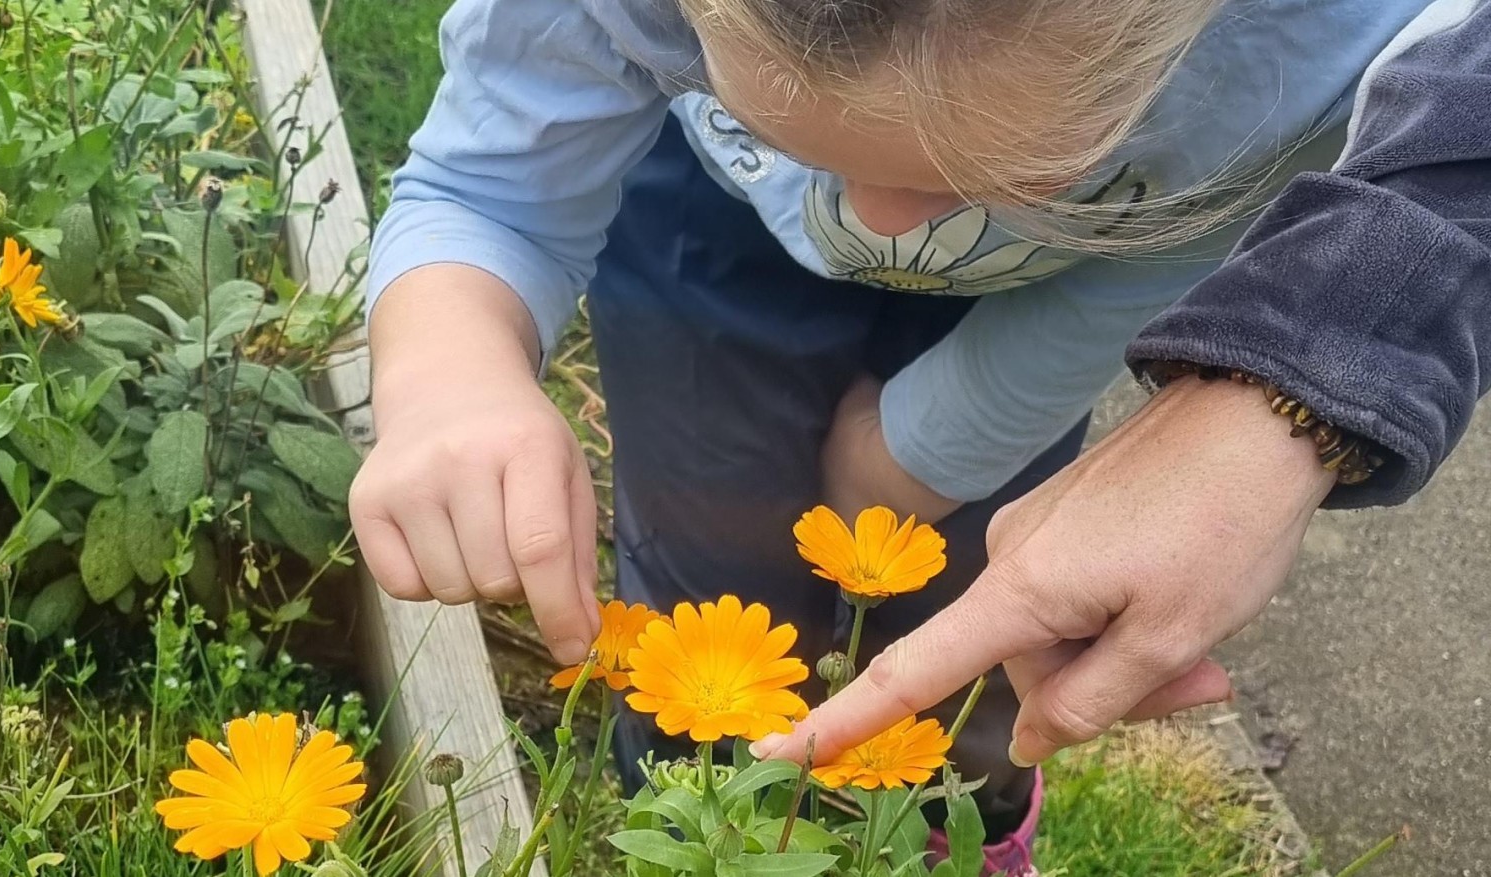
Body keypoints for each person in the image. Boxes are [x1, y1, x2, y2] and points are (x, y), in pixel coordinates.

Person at [351, 0, 1489, 872]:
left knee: (989, 601)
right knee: (703, 560)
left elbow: (1173, 251)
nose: (879, 215)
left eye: (1013, 165)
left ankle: (953, 817)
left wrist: (927, 450)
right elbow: (484, 187)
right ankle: (687, 807)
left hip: (1074, 279)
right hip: (704, 237)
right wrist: (449, 367)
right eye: (761, 107)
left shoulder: (1321, 48)